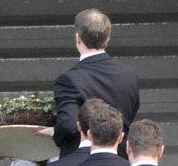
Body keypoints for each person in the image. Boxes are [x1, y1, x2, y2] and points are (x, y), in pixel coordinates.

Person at [52, 8, 139, 156]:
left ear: (77, 38)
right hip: (121, 161)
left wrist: (55, 134)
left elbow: (67, 125)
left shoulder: (69, 79)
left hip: (82, 165)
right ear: (108, 38)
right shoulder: (128, 74)